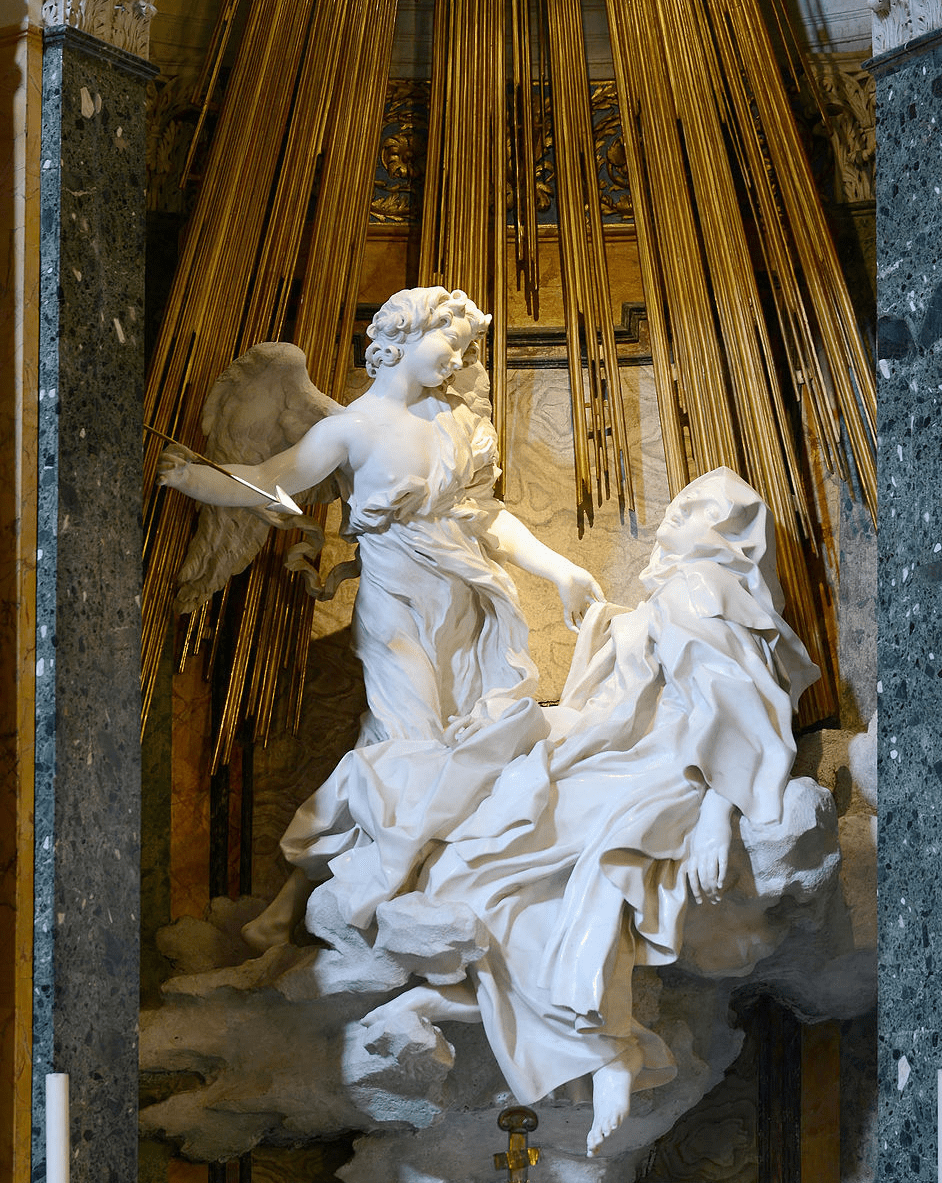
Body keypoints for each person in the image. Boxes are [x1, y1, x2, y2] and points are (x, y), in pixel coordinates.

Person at [278, 467, 819, 1156]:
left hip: (656, 766)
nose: (669, 522)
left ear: (722, 536)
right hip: (613, 751)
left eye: (688, 514)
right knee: (480, 859)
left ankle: (606, 1045)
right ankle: (570, 1036)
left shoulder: (701, 589)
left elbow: (735, 710)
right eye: (677, 508)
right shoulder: (679, 597)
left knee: (520, 862)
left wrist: (717, 811)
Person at [158, 286, 604, 945]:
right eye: (449, 344)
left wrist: (561, 570)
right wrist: (195, 480)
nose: (458, 361)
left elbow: (488, 520)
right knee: (410, 752)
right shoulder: (350, 429)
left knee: (445, 756)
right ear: (400, 337)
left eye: (465, 351)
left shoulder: (458, 425)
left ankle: (308, 908)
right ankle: (375, 911)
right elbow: (273, 478)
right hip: (396, 610)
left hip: (471, 609)